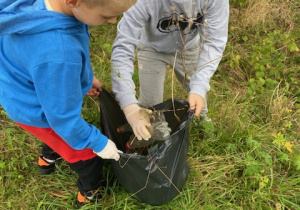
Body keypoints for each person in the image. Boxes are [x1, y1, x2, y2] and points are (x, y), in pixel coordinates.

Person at [0, 0, 136, 207]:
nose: (112, 21)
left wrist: (83, 77)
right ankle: (89, 192)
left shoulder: (36, 8)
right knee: (85, 154)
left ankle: (49, 157)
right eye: (105, 16)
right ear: (73, 2)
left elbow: (39, 64)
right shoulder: (59, 53)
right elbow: (62, 118)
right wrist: (97, 143)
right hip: (38, 112)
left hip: (21, 93)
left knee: (55, 136)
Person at [111, 0, 229, 141]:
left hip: (188, 48)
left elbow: (214, 42)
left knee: (197, 94)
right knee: (151, 107)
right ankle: (155, 139)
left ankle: (203, 123)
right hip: (151, 48)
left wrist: (199, 87)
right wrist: (129, 108)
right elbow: (122, 50)